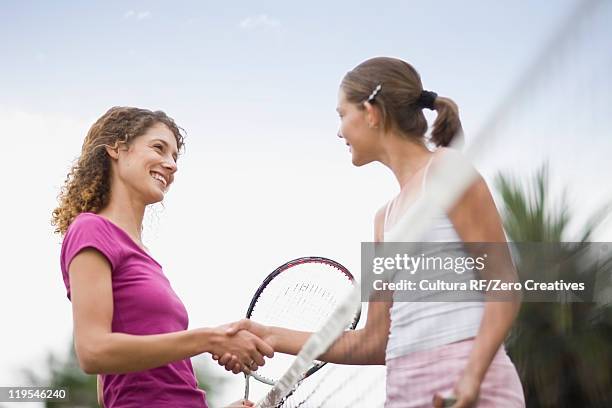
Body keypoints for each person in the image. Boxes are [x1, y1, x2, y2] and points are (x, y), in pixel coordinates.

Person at [218, 57, 525, 407]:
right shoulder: (383, 219)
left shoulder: (448, 170)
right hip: (403, 393)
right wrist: (268, 334)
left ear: (370, 112)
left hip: (473, 386)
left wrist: (471, 378)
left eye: (341, 114)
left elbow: (505, 286)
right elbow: (374, 342)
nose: (338, 131)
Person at [52, 107, 273, 408]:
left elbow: (111, 389)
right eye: (159, 148)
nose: (171, 164)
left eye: (175, 157)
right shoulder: (91, 229)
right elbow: (93, 352)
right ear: (116, 148)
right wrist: (210, 339)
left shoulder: (145, 258)